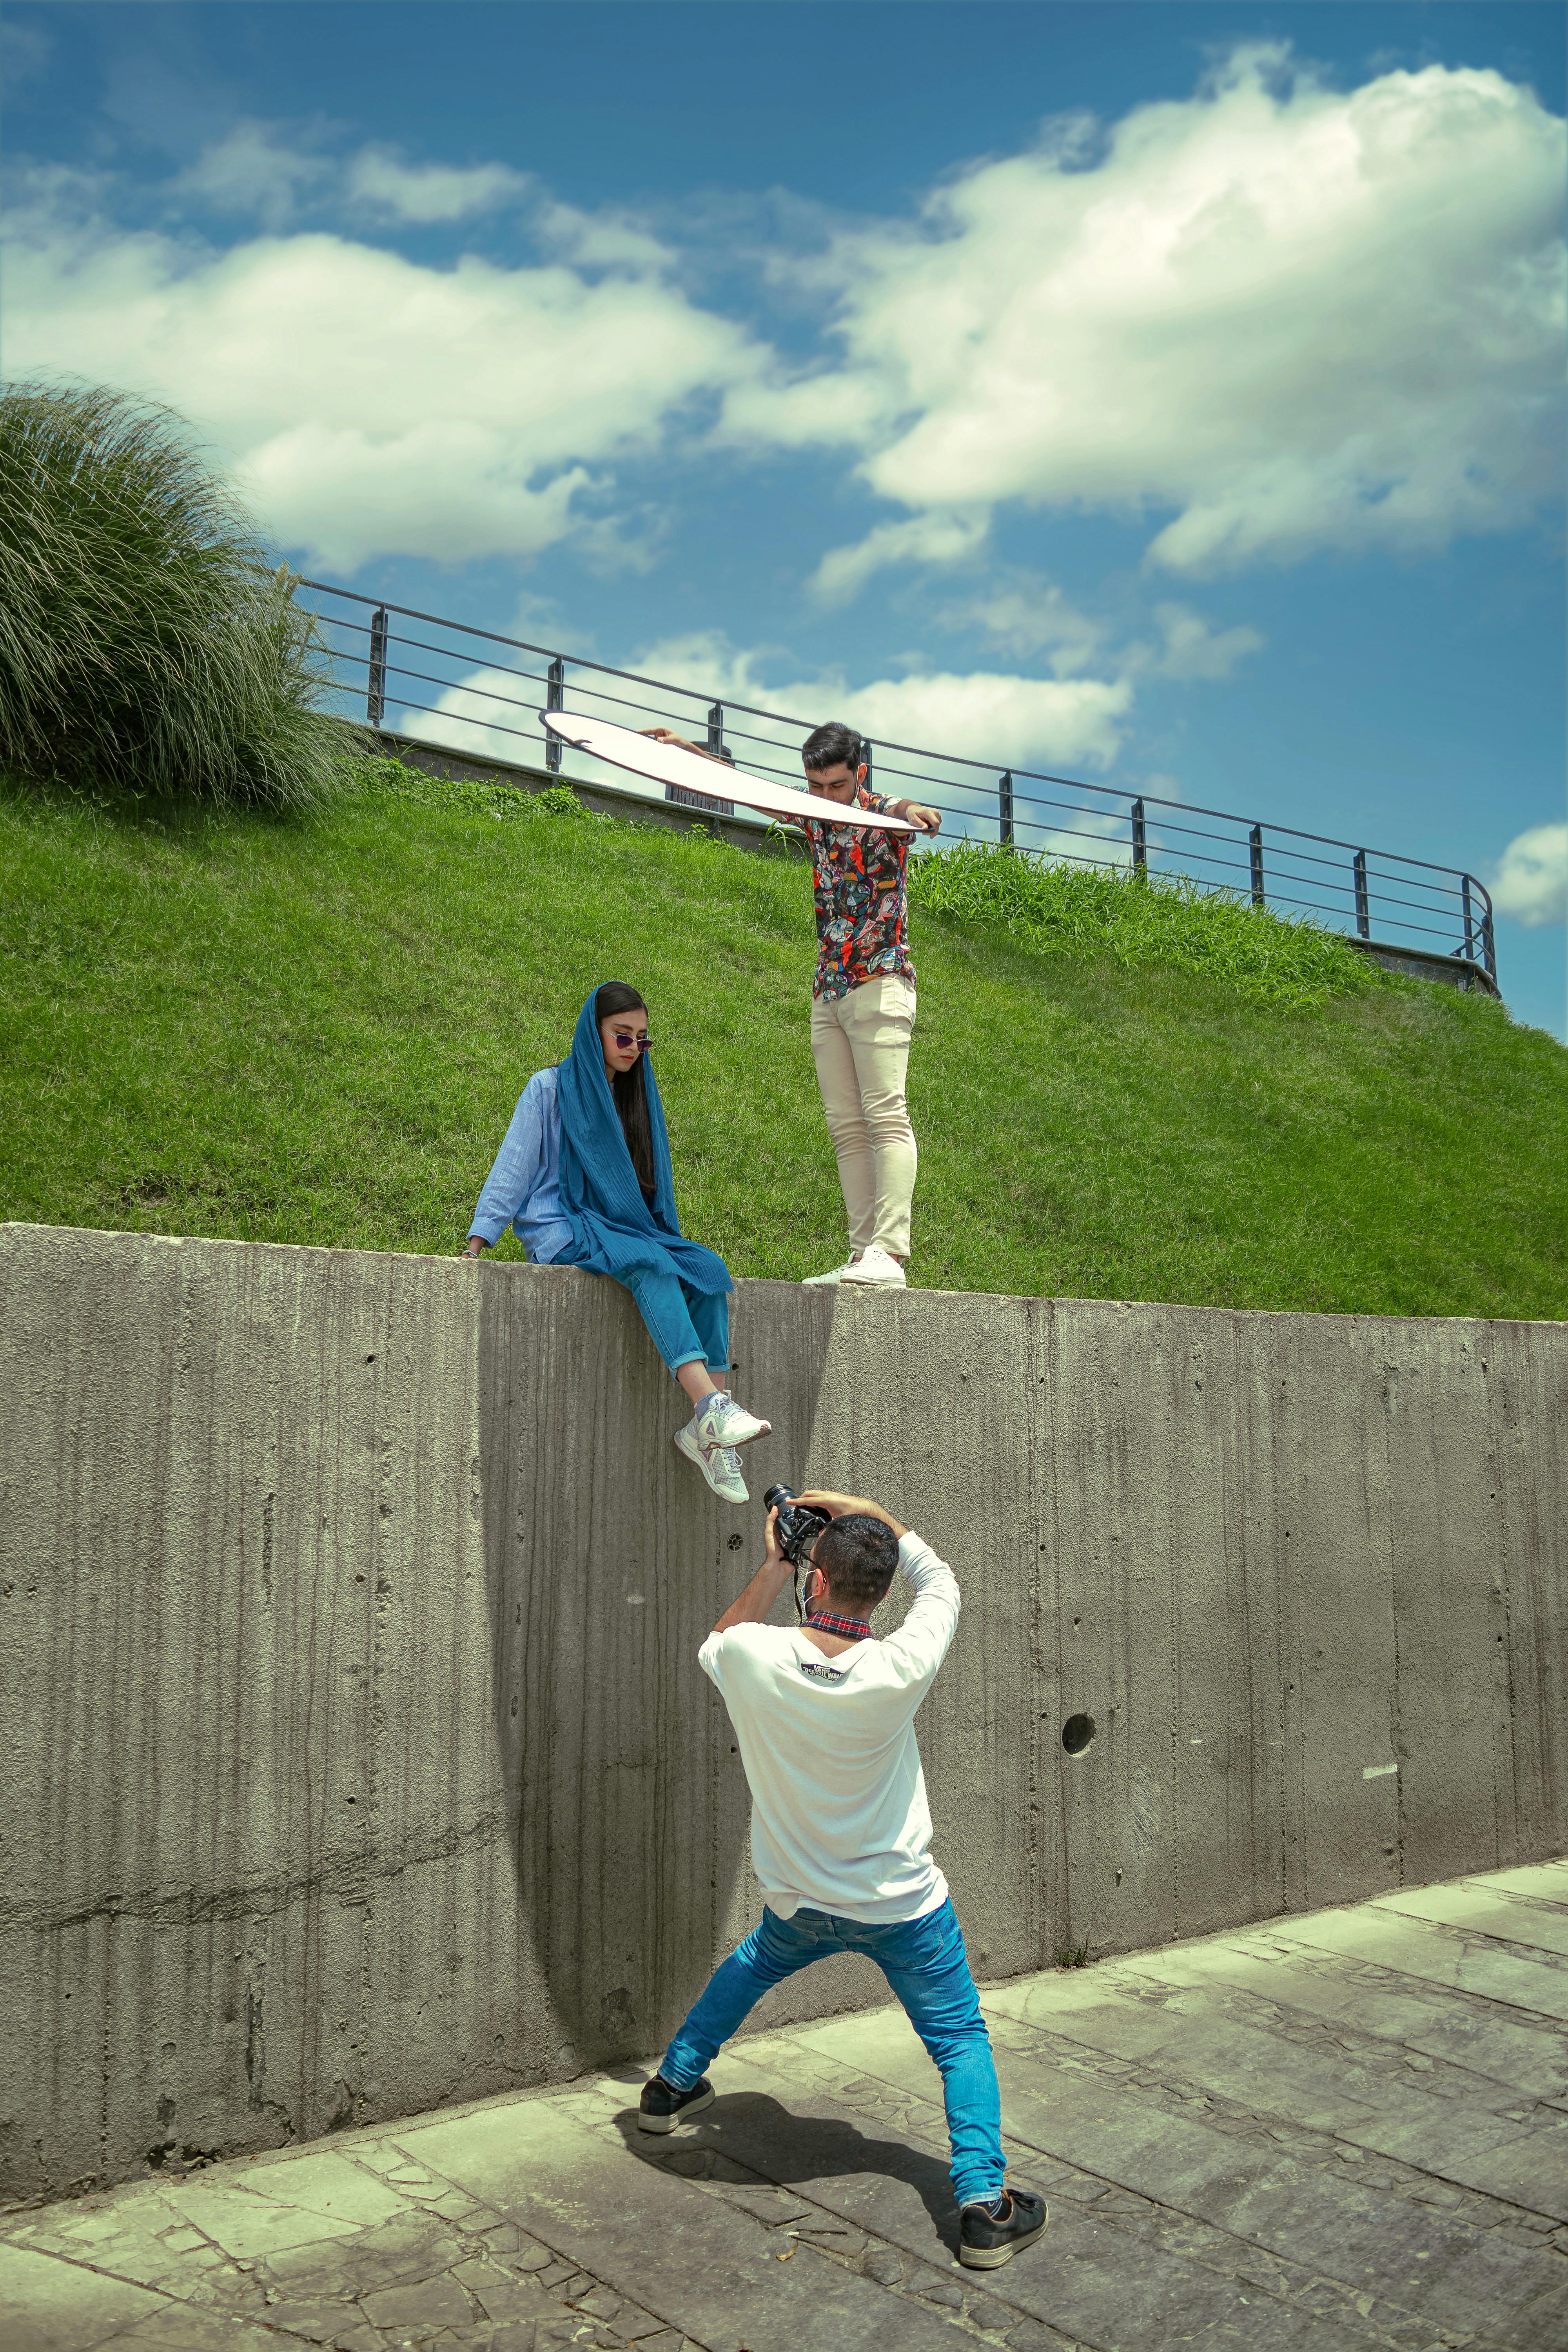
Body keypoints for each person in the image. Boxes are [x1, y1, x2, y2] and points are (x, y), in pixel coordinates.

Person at [637, 1488, 1047, 2272]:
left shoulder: (752, 1656)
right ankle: (981, 2206)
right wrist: (871, 1510)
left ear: (813, 1580)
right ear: (883, 1594)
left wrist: (773, 1561)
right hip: (903, 1909)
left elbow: (718, 1641)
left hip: (801, 1899)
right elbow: (944, 1583)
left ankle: (669, 2091)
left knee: (751, 1966)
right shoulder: (900, 1665)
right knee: (957, 2040)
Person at [641, 720, 941, 1291]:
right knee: (846, 1127)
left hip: (881, 980)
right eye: (816, 785)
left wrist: (915, 809)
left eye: (836, 785)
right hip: (829, 988)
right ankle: (863, 1258)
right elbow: (752, 791)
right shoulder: (814, 811)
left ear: (860, 775)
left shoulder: (882, 816)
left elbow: (905, 810)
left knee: (886, 1115)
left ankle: (891, 1253)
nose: (825, 796)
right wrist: (690, 755)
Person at [460, 982, 770, 1505]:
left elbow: (649, 1189)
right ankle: (712, 1406)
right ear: (594, 1032)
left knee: (707, 1271)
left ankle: (710, 1441)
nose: (631, 1049)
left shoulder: (637, 1101)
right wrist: (477, 1242)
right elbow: (511, 1169)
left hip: (619, 1230)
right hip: (562, 1230)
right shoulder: (550, 1088)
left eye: (641, 1041)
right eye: (621, 1036)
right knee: (649, 1264)